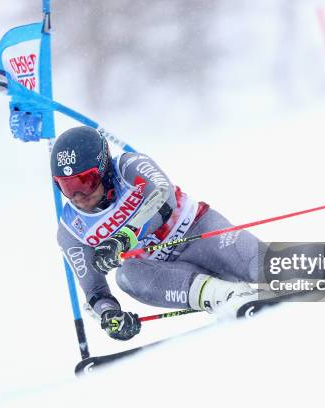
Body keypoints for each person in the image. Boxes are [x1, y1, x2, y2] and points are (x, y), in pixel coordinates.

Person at [52, 126, 265, 341]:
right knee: (126, 275)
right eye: (67, 187)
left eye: (85, 182)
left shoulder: (129, 166)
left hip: (198, 231)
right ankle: (225, 296)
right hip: (164, 271)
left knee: (272, 267)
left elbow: (165, 198)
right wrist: (109, 315)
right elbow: (95, 291)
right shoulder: (71, 230)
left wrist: (124, 237)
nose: (78, 196)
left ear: (104, 169)